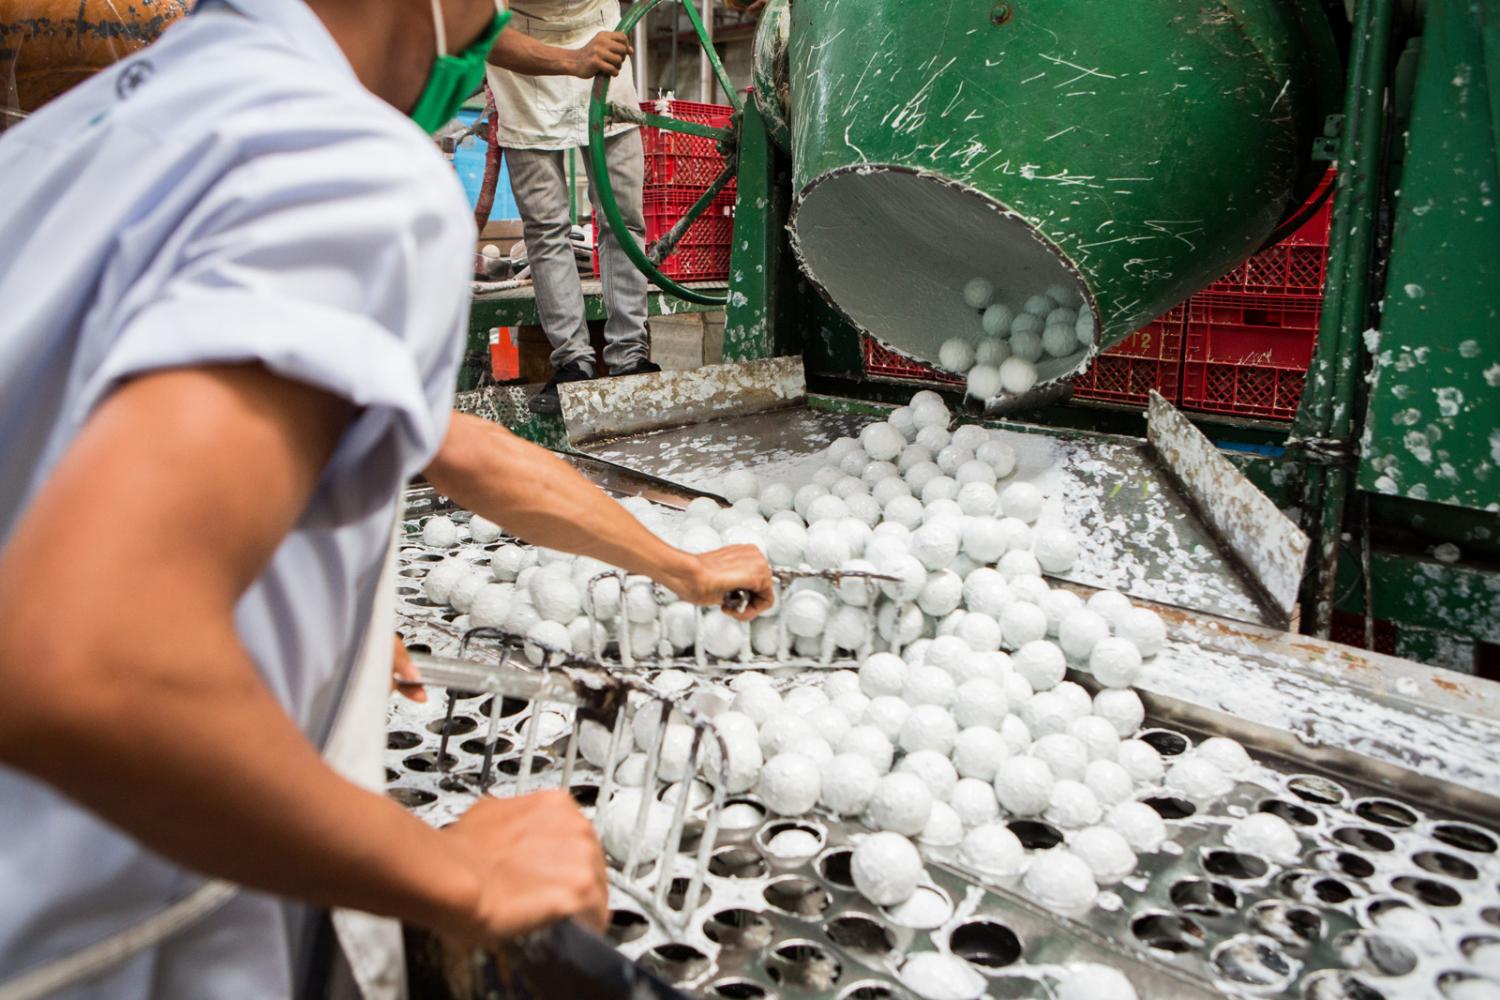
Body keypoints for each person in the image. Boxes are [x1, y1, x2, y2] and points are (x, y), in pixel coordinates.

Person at [0, 1, 773, 997]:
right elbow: (87, 658)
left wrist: (680, 566)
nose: (484, 35)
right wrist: (462, 876)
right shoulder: (343, 160)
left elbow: (454, 448)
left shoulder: (69, 142)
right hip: (106, 937)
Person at [483, 1, 660, 416]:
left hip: (601, 36)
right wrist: (572, 59)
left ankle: (629, 358)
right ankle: (572, 363)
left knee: (622, 218)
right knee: (546, 229)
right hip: (520, 56)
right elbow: (482, 33)